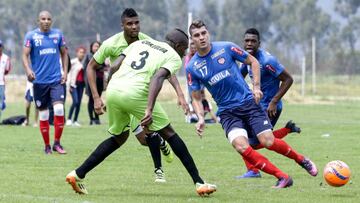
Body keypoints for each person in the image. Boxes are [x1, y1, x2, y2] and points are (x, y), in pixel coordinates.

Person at [66, 28, 217, 196]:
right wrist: (149, 108)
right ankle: (199, 182)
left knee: (119, 137)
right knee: (170, 134)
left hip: (114, 89)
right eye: (185, 49)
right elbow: (157, 78)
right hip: (137, 93)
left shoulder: (141, 43)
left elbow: (115, 65)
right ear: (178, 45)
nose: (185, 53)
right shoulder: (173, 56)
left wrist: (109, 89)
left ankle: (78, 174)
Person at [186, 20, 317, 188]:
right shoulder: (192, 67)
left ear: (208, 33)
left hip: (248, 103)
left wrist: (256, 88)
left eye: (204, 33)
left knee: (268, 141)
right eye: (197, 35)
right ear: (192, 39)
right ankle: (282, 177)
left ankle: (301, 159)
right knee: (242, 146)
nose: (202, 37)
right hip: (227, 112)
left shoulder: (226, 47)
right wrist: (200, 118)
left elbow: (253, 62)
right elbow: (196, 97)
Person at [73, 8, 176, 183]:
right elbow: (90, 67)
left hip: (137, 95)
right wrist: (97, 98)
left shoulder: (147, 41)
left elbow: (166, 67)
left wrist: (180, 94)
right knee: (141, 140)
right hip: (119, 96)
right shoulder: (111, 44)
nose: (134, 27)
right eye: (129, 23)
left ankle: (158, 169)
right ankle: (161, 143)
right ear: (122, 26)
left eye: (137, 23)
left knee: (147, 133)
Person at [236, 28, 302, 178]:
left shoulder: (267, 61)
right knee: (241, 136)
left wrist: (274, 101)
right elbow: (240, 76)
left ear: (259, 43)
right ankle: (253, 170)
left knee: (252, 143)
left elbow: (288, 79)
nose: (249, 43)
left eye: (253, 41)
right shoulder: (246, 58)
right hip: (256, 105)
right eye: (247, 41)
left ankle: (254, 170)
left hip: (270, 107)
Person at [22, 10, 68, 154]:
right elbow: (24, 55)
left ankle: (57, 143)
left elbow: (64, 53)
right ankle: (47, 146)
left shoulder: (58, 34)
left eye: (49, 19)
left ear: (51, 21)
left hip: (56, 80)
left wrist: (65, 72)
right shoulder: (31, 36)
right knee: (43, 115)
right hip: (39, 82)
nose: (46, 21)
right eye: (43, 19)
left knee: (59, 109)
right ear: (38, 21)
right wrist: (28, 71)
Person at [83, 41, 104, 125]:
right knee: (91, 100)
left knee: (98, 99)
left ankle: (97, 118)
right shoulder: (89, 56)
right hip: (91, 82)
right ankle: (91, 119)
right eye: (95, 46)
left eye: (98, 46)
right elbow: (95, 66)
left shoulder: (102, 56)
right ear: (91, 47)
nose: (96, 48)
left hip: (99, 81)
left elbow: (104, 66)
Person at [66, 46, 86, 126]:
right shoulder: (73, 62)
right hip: (73, 85)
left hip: (81, 85)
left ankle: (75, 120)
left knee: (79, 103)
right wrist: (70, 85)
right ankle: (69, 119)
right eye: (80, 52)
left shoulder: (84, 63)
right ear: (77, 53)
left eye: (83, 52)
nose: (82, 54)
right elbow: (69, 74)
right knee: (75, 101)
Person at [0, 40, 12, 121]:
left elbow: (7, 70)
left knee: (1, 103)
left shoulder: (6, 58)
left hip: (1, 83)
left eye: (0, 46)